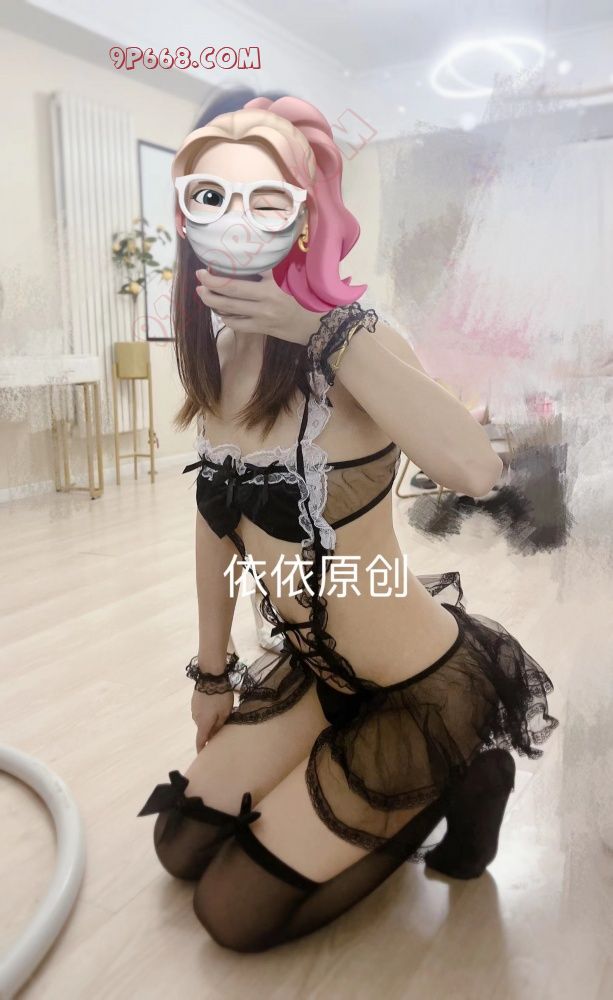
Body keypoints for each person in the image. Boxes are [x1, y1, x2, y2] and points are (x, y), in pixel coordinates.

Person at [136, 94, 559, 952]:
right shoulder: (219, 355)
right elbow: (214, 526)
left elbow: (474, 470)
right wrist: (211, 674)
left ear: (301, 210)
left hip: (414, 689)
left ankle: (466, 774)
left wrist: (318, 329)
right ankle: (345, 773)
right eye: (211, 194)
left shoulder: (359, 340)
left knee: (232, 913)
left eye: (264, 194)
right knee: (179, 846)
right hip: (315, 674)